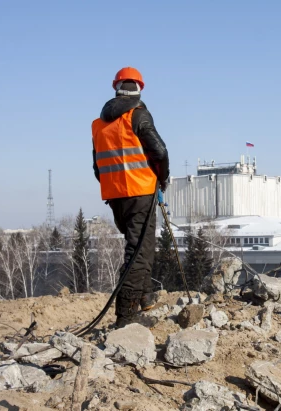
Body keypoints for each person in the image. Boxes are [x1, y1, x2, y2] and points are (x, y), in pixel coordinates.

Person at [91, 67, 170, 327]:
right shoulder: (138, 115)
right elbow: (159, 150)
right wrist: (163, 177)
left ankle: (145, 297)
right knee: (138, 254)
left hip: (116, 198)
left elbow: (97, 167)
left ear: (116, 87)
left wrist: (116, 187)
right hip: (141, 194)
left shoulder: (100, 124)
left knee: (138, 247)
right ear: (139, 88)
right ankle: (125, 317)